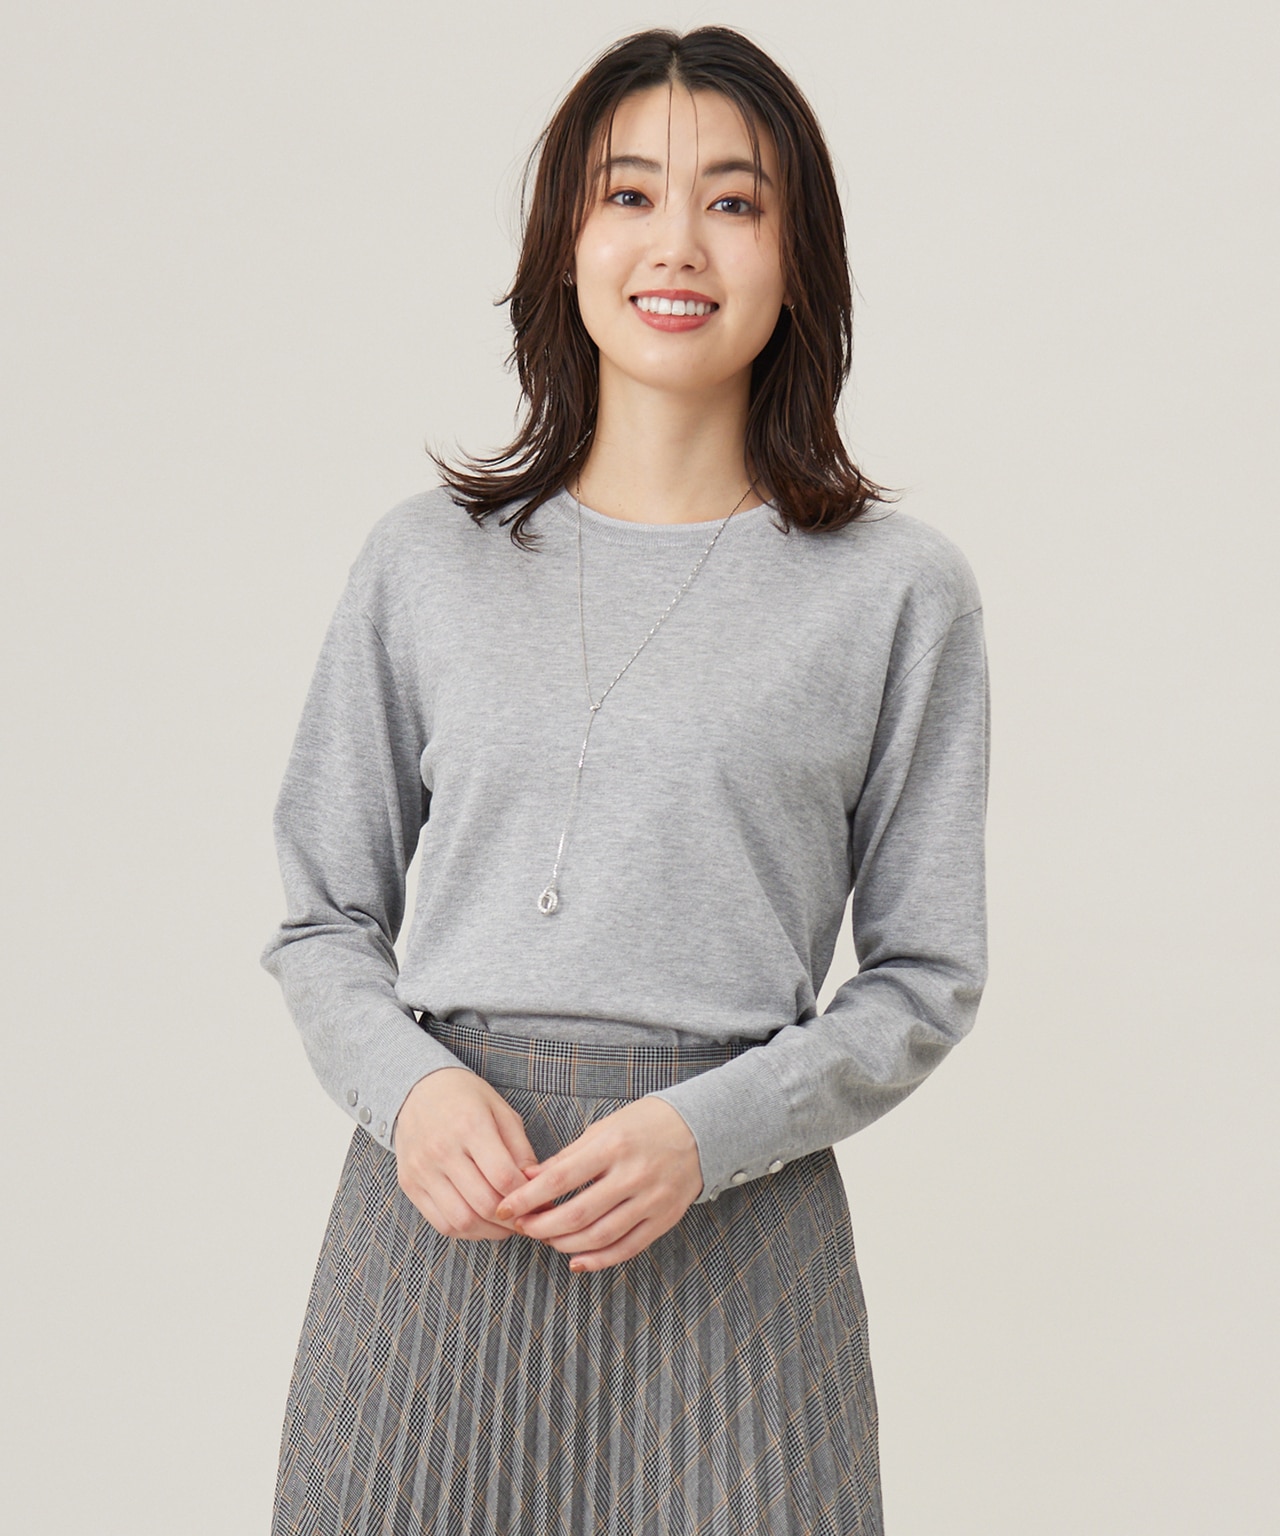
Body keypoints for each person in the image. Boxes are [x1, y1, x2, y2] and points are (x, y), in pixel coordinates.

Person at [260, 23, 989, 1536]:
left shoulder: (895, 592)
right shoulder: (426, 562)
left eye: (734, 201)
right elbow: (323, 915)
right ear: (567, 241)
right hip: (442, 1225)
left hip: (734, 1241)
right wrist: (412, 1093)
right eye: (630, 194)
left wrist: (706, 1135)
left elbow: (924, 977)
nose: (678, 244)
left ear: (799, 257)